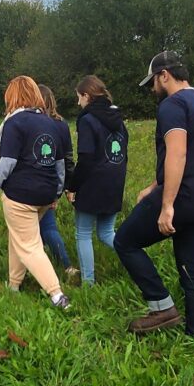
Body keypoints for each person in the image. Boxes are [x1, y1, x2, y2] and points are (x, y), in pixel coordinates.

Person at [114, 51, 194, 336]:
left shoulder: (172, 104)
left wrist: (167, 204)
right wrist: (154, 185)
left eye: (153, 82)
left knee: (125, 242)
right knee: (191, 268)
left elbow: (178, 152)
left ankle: (162, 308)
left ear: (164, 76)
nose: (152, 89)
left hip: (183, 197)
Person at [0, 76, 72, 309]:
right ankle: (14, 285)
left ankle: (57, 295)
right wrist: (56, 193)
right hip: (46, 193)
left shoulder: (14, 123)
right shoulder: (51, 123)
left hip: (20, 195)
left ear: (12, 97)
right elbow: (60, 164)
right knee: (19, 238)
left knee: (29, 246)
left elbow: (7, 162)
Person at [65, 75, 128, 286]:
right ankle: (138, 259)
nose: (78, 103)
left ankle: (88, 284)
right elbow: (123, 154)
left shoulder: (87, 119)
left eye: (79, 97)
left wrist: (73, 186)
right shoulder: (118, 119)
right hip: (115, 182)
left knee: (83, 233)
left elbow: (86, 158)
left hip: (92, 185)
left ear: (87, 95)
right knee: (106, 232)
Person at [36, 84, 79, 280]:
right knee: (45, 225)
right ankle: (51, 263)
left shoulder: (34, 123)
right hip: (54, 181)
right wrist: (66, 187)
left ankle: (65, 265)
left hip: (36, 180)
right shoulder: (61, 124)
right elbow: (67, 158)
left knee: (46, 226)